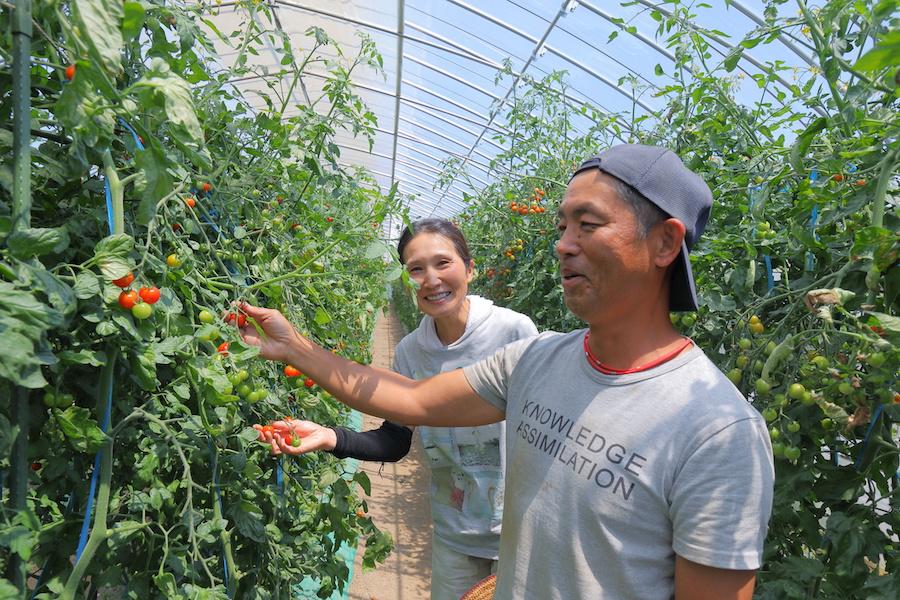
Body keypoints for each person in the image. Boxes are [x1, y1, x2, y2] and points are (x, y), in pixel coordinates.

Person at [242, 144, 775, 599]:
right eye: (563, 225)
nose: (563, 243)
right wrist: (297, 349)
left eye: (588, 224)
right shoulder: (536, 360)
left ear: (665, 242)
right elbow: (414, 402)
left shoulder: (718, 433)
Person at [258, 218, 538, 600]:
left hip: (521, 532)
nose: (431, 279)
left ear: (470, 268)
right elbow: (395, 439)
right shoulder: (411, 351)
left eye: (443, 263)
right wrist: (330, 437)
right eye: (415, 270)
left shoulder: (512, 331)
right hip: (456, 529)